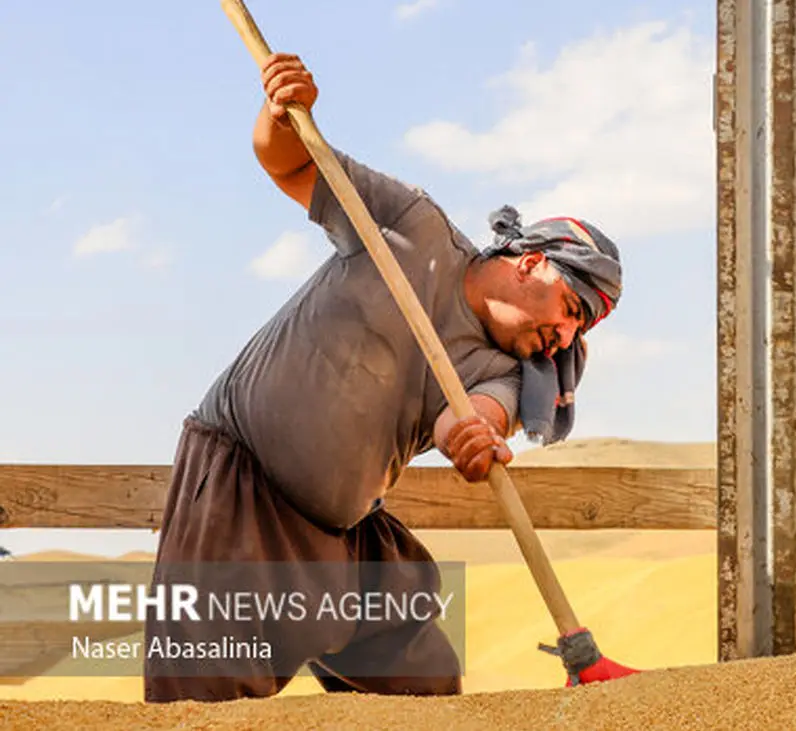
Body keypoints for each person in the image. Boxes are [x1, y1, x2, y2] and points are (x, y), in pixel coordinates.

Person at [142, 51, 622, 703]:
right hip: (240, 491)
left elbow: (474, 416)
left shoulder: (507, 369)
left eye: (578, 333)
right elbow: (291, 162)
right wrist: (280, 110)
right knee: (205, 695)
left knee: (419, 678)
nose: (565, 338)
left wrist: (476, 439)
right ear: (533, 263)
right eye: (571, 310)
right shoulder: (410, 225)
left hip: (348, 533)